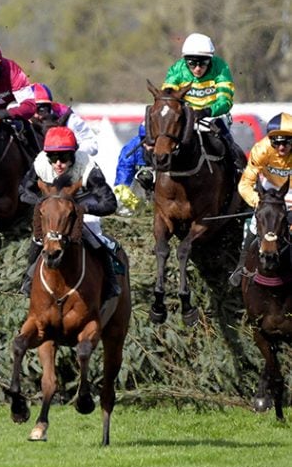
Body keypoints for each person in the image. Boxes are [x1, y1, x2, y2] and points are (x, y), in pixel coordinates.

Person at [17, 126, 121, 305]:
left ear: (74, 155)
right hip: (54, 209)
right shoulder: (41, 163)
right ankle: (28, 280)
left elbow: (110, 203)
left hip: (83, 204)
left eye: (64, 158)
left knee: (94, 236)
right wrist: (43, 203)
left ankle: (111, 283)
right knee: (38, 238)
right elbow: (23, 191)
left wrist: (82, 209)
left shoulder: (87, 167)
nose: (58, 164)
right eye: (53, 158)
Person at [160, 32, 245, 175]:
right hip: (186, 116)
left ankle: (239, 171)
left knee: (228, 143)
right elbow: (167, 95)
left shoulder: (220, 67)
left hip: (212, 116)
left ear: (210, 60)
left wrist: (206, 111)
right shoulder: (177, 69)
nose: (197, 69)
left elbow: (225, 101)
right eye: (192, 64)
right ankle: (148, 171)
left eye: (203, 63)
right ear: (185, 61)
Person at [230, 113, 292, 287]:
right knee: (254, 224)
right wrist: (259, 203)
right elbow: (245, 184)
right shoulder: (261, 149)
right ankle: (241, 268)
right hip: (269, 193)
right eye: (276, 142)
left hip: (291, 192)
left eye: (286, 142)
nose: (281, 147)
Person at [29, 83, 98, 156]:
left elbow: (92, 145)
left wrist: (70, 154)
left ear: (51, 106)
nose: (35, 115)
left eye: (41, 109)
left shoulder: (69, 119)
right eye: (30, 109)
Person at [113, 123, 149, 215]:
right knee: (124, 206)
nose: (148, 145)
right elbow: (124, 168)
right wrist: (123, 187)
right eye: (145, 140)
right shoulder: (132, 147)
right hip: (138, 183)